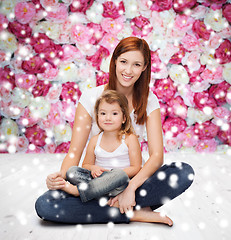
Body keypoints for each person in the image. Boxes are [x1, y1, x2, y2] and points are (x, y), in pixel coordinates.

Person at [35, 36, 194, 225]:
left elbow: (157, 156)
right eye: (124, 62)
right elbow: (75, 153)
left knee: (183, 172)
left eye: (136, 65)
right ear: (115, 62)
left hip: (132, 181)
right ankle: (132, 212)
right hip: (94, 185)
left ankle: (121, 205)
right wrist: (60, 180)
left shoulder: (149, 100)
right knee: (45, 205)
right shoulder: (90, 98)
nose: (128, 71)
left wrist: (131, 189)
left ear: (144, 68)